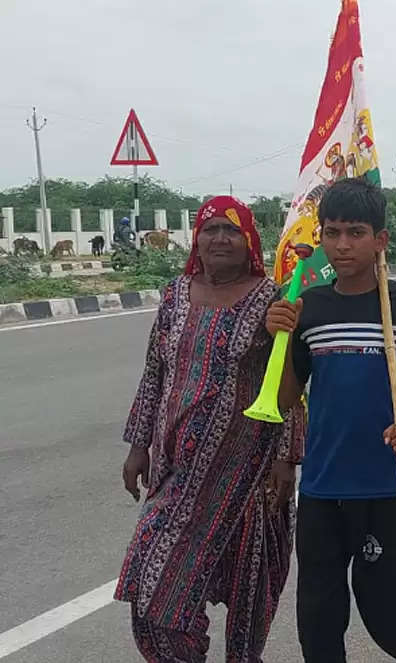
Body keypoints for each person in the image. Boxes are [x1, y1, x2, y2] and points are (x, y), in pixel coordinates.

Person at [266, 177, 396, 663]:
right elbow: (283, 399)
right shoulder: (307, 307)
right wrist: (276, 340)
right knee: (318, 623)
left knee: (390, 620)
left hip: (388, 487)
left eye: (356, 232)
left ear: (380, 239)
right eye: (332, 232)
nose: (342, 245)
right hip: (321, 488)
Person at [115, 196, 305, 663]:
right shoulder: (176, 293)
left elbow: (286, 386)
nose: (220, 238)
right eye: (210, 228)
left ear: (249, 241)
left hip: (248, 476)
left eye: (232, 230)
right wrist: (138, 445)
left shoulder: (273, 298)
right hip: (176, 474)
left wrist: (285, 458)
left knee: (249, 601)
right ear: (196, 239)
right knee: (154, 605)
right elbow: (156, 371)